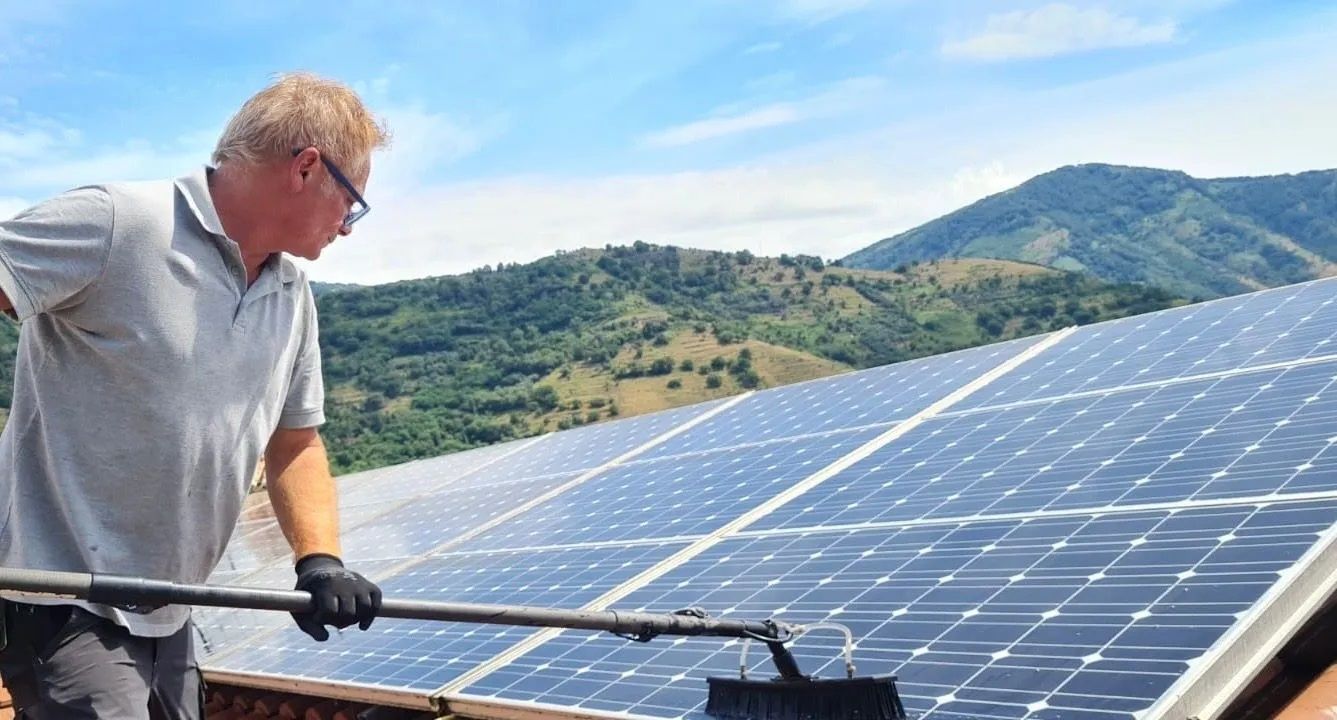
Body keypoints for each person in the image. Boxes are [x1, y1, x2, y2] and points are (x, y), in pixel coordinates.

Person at [0, 72, 387, 719]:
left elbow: (294, 442)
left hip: (172, 610)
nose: (347, 227)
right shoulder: (120, 222)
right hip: (65, 598)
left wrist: (319, 560)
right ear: (307, 168)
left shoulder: (291, 297)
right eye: (350, 203)